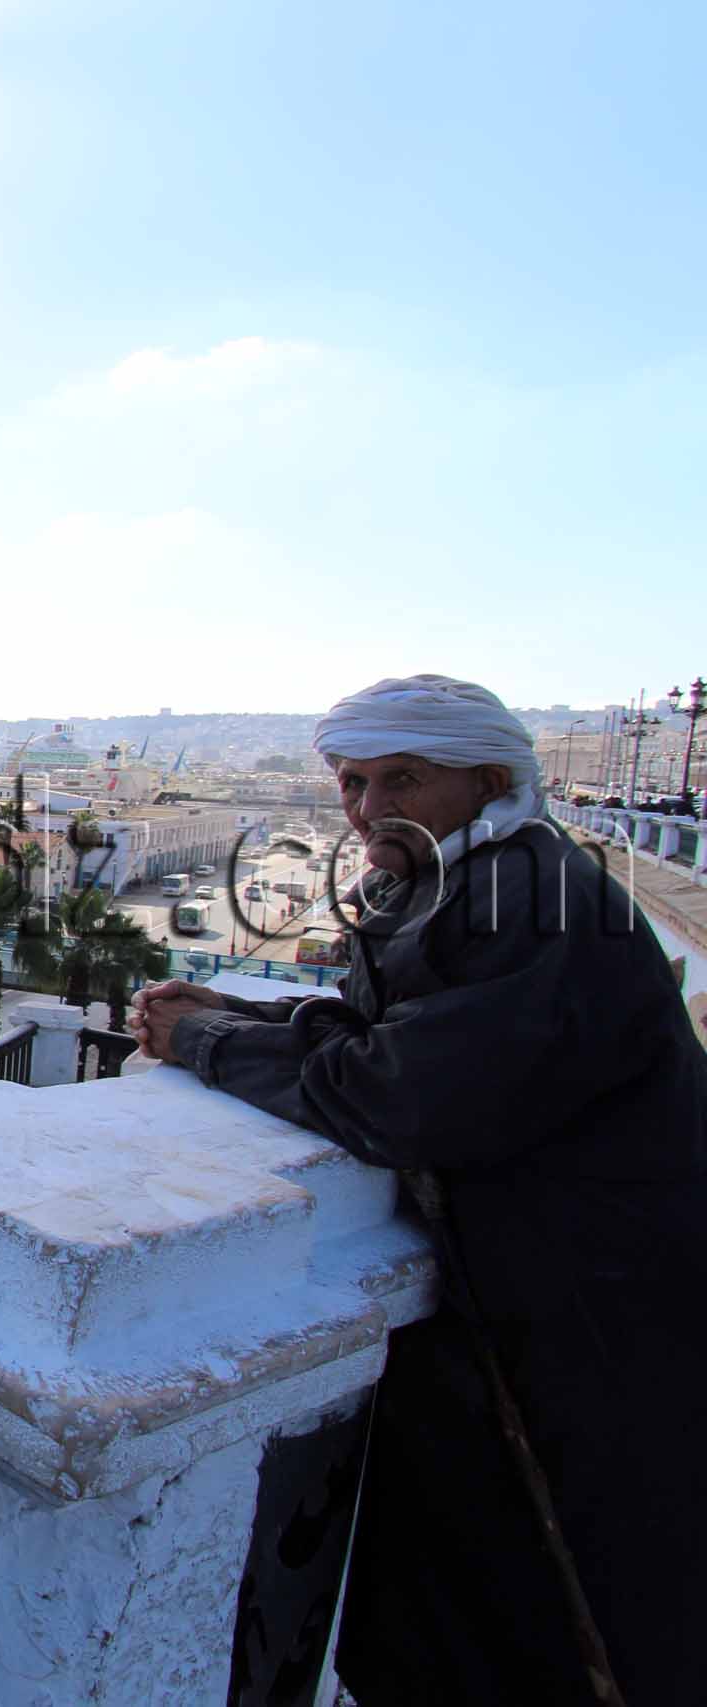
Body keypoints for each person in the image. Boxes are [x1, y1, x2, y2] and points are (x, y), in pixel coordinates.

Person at [131, 674, 707, 1707]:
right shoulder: (471, 880)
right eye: (352, 782)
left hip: (587, 1325)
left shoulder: (535, 905)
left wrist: (205, 1041)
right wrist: (238, 1015)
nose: (366, 809)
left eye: (401, 779)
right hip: (528, 1309)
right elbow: (391, 1037)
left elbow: (396, 1096)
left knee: (556, 1608)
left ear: (489, 781)